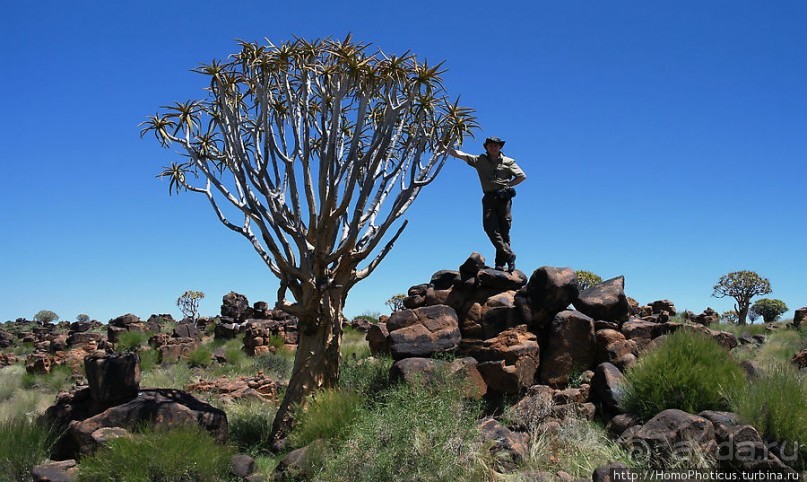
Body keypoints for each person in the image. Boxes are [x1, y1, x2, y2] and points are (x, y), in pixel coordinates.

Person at [444, 136, 526, 272]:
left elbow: (522, 176)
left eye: (496, 145)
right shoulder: (479, 160)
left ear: (500, 147)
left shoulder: (509, 161)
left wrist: (508, 185)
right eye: (490, 145)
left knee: (504, 229)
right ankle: (509, 255)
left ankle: (501, 264)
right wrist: (444, 147)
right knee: (489, 227)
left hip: (503, 197)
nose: (493, 147)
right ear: (486, 147)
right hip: (489, 197)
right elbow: (460, 155)